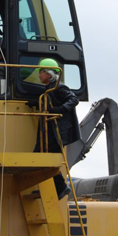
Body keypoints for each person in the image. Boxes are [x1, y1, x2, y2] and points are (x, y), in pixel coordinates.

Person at [30, 58, 80, 200]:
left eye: (41, 72)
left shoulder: (59, 87)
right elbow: (49, 102)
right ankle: (50, 188)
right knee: (39, 157)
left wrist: (60, 110)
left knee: (44, 158)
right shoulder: (49, 89)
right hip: (48, 130)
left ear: (49, 74)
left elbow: (73, 99)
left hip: (56, 131)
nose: (39, 75)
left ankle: (61, 187)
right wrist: (35, 103)